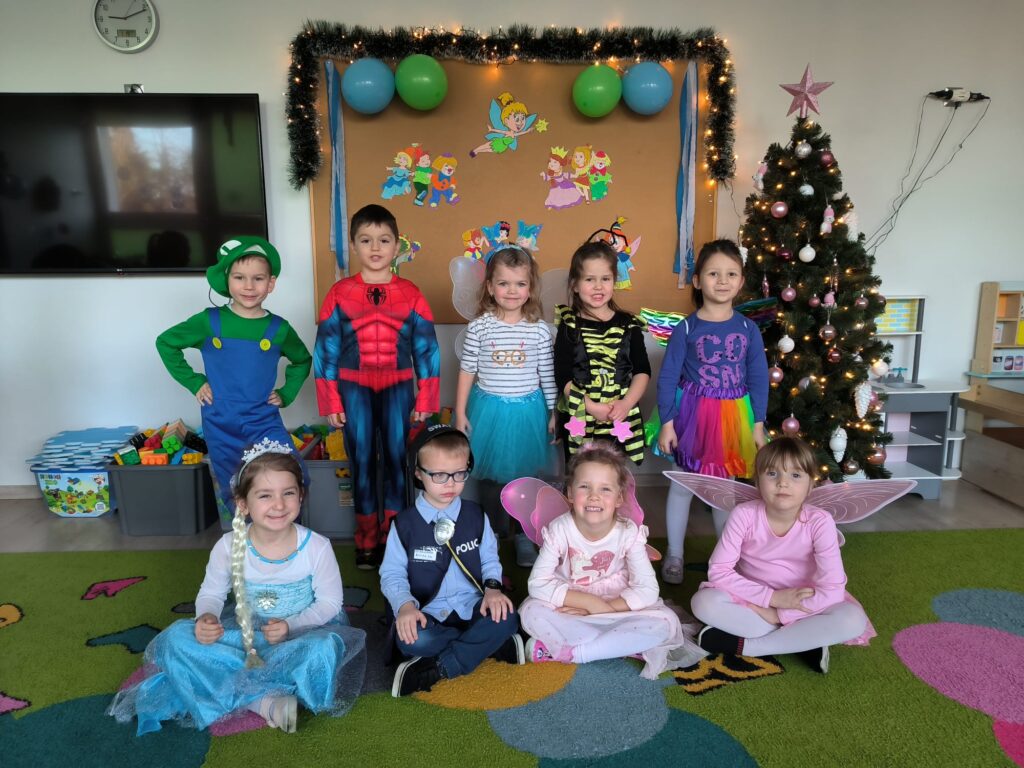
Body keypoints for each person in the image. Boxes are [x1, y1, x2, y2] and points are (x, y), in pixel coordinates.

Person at [108, 442, 366, 735]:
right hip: (246, 635)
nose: (279, 504)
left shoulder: (316, 547)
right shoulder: (229, 546)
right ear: (243, 504)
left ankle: (236, 688)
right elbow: (211, 593)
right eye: (265, 495)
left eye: (288, 493)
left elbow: (330, 603)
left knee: (325, 648)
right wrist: (207, 617)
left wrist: (291, 626)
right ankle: (264, 702)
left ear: (301, 496)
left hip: (301, 634)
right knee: (176, 639)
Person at [314, 204, 440, 569]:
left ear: (397, 246)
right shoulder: (339, 293)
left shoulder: (411, 292)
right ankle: (367, 537)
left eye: (384, 240)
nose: (375, 247)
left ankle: (395, 537)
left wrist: (427, 397)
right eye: (366, 240)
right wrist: (331, 400)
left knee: (399, 461)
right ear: (353, 246)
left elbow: (426, 347)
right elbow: (326, 349)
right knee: (362, 460)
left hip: (398, 387)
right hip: (353, 389)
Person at [156, 236, 311, 527]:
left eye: (258, 278)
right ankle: (247, 540)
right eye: (240, 277)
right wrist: (194, 382)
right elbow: (166, 343)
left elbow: (302, 360)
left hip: (262, 418)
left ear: (271, 283)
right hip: (220, 420)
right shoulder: (209, 321)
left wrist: (287, 392)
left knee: (290, 473)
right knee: (235, 484)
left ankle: (287, 536)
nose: (249, 286)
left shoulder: (279, 328)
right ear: (227, 280)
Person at [518, 443, 703, 679]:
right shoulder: (559, 529)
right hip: (572, 600)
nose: (594, 496)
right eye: (584, 486)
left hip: (616, 602)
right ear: (570, 493)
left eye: (605, 489)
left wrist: (602, 609)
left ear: (619, 498)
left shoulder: (628, 532)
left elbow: (647, 589)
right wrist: (588, 603)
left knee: (666, 623)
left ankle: (575, 653)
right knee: (532, 612)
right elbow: (537, 584)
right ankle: (621, 644)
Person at [690, 438, 872, 674]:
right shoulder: (744, 514)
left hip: (804, 601)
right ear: (758, 481)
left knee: (853, 620)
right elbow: (719, 571)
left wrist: (780, 613)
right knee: (703, 603)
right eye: (772, 474)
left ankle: (751, 647)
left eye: (795, 475)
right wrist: (772, 598)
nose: (783, 483)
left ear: (810, 485)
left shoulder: (820, 521)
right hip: (753, 597)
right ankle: (803, 641)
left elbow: (833, 588)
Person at [656, 238, 769, 584]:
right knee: (682, 486)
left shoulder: (748, 329)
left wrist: (758, 424)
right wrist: (667, 422)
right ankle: (675, 554)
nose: (722, 281)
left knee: (725, 491)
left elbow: (758, 377)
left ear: (741, 281)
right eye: (713, 273)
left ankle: (725, 560)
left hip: (733, 420)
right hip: (691, 417)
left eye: (731, 274)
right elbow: (668, 376)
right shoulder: (687, 328)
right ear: (697, 280)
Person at [380, 425, 524, 697]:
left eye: (459, 474)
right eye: (439, 475)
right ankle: (488, 645)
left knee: (508, 616)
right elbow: (392, 575)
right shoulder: (404, 524)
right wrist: (406, 607)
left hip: (473, 606)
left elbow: (490, 560)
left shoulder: (476, 515)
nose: (450, 483)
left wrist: (493, 589)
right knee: (411, 638)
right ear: (418, 473)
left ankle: (439, 667)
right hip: (428, 612)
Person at [454, 246, 556, 568]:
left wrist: (553, 411)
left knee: (526, 478)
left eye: (520, 284)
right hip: (490, 412)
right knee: (490, 480)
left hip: (527, 413)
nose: (512, 291)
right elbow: (467, 370)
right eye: (503, 283)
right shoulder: (479, 327)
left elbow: (546, 373)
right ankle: (493, 535)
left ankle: (524, 534)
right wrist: (460, 411)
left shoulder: (538, 329)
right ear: (489, 287)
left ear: (530, 288)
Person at [554, 240, 650, 465]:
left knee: (613, 475)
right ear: (575, 285)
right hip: (580, 415)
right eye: (590, 279)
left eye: (605, 279)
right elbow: (562, 376)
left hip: (619, 415)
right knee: (579, 473)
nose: (598, 286)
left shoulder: (629, 324)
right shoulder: (569, 325)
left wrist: (626, 404)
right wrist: (590, 406)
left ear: (614, 281)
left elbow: (642, 370)